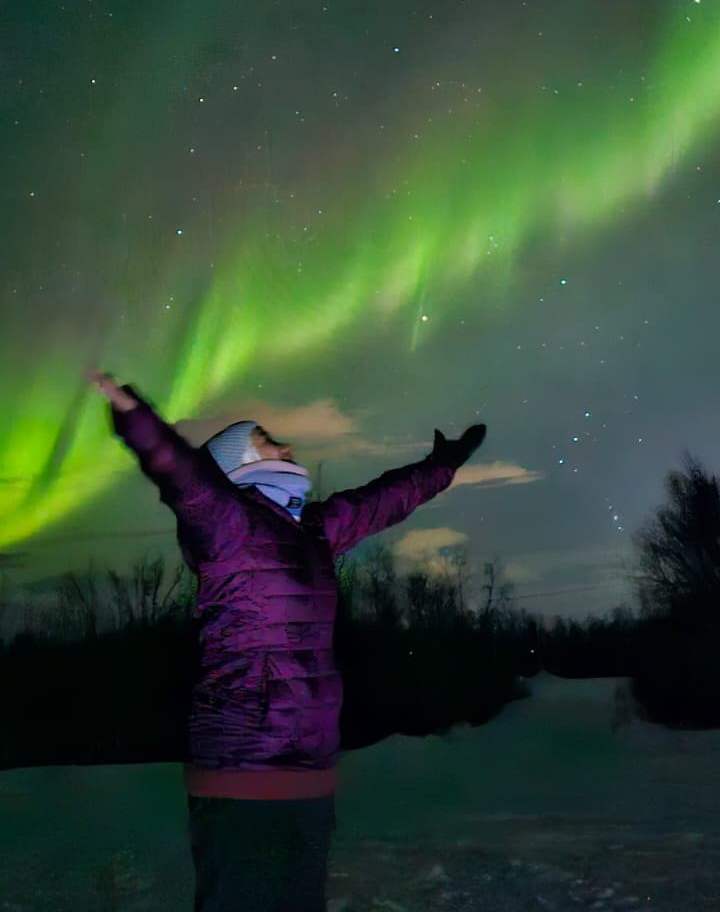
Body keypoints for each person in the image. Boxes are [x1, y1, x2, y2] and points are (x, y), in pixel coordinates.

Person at [87, 368, 486, 912]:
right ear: (239, 465)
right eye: (267, 440)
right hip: (244, 770)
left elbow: (377, 503)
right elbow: (181, 475)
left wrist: (441, 467)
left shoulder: (310, 532)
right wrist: (135, 417)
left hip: (310, 770)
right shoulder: (228, 527)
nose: (288, 444)